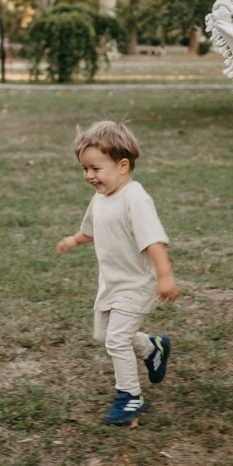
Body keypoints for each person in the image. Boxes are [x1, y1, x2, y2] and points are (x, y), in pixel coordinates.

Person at [57, 120, 179, 425]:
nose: (88, 176)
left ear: (122, 165)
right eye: (84, 169)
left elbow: (154, 240)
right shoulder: (101, 199)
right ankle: (154, 348)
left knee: (116, 340)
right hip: (111, 283)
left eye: (95, 168)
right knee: (106, 335)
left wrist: (164, 276)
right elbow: (91, 230)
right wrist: (74, 240)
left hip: (137, 284)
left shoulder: (135, 199)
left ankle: (129, 398)